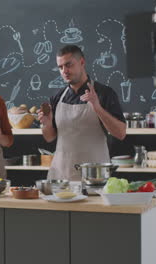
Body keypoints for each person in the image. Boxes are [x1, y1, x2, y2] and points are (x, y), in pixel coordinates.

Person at [37, 45, 126, 181]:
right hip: (62, 174)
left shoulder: (104, 93)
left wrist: (97, 107)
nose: (64, 71)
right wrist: (47, 124)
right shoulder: (57, 97)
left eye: (68, 65)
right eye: (60, 67)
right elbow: (49, 137)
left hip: (95, 175)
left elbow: (120, 133)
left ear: (82, 62)